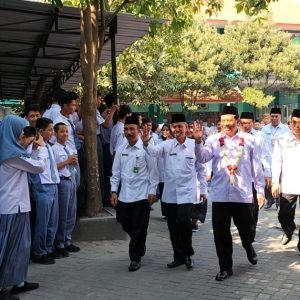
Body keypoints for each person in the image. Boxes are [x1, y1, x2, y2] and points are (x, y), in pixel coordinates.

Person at [195, 106, 265, 281]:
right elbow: (203, 158)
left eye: (229, 120)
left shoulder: (249, 140)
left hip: (243, 194)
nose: (226, 124)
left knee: (246, 229)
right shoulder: (212, 140)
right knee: (221, 233)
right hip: (220, 195)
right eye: (223, 121)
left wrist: (260, 190)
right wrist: (197, 142)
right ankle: (225, 267)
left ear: (237, 121)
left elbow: (257, 167)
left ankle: (248, 246)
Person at [142, 113, 203, 271]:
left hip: (187, 193)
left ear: (186, 127)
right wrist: (146, 141)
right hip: (170, 194)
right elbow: (154, 152)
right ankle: (178, 257)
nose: (177, 130)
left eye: (180, 126)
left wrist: (203, 189)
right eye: (174, 127)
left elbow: (201, 169)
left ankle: (188, 255)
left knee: (184, 225)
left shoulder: (193, 145)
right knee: (173, 228)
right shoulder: (167, 145)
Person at [0, 116, 46, 300]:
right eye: (23, 133)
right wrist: (41, 148)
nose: (24, 137)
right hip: (10, 207)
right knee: (6, 247)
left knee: (21, 247)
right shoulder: (10, 156)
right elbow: (38, 167)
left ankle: (18, 281)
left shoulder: (12, 151)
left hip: (18, 206)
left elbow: (27, 158)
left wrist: (32, 147)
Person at [110, 115, 158, 272]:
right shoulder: (121, 149)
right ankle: (139, 243)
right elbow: (115, 172)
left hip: (142, 195)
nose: (128, 132)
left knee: (139, 228)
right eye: (126, 129)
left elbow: (153, 171)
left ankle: (135, 258)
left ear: (138, 130)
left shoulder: (146, 148)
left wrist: (152, 191)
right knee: (124, 222)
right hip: (124, 194)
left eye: (131, 129)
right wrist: (113, 191)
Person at [30, 118, 60, 265]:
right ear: (41, 131)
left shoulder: (49, 146)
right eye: (50, 129)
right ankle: (39, 252)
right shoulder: (34, 147)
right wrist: (38, 145)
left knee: (52, 221)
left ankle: (48, 248)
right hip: (42, 186)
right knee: (43, 221)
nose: (52, 132)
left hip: (53, 185)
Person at [271, 109, 300, 250]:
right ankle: (288, 230)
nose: (297, 125)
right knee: (283, 214)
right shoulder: (282, 139)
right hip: (288, 183)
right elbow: (276, 161)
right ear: (290, 123)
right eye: (294, 122)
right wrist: (275, 181)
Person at [239, 112, 270, 238]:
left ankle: (251, 232)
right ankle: (244, 231)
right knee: (242, 209)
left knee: (253, 208)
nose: (245, 125)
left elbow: (265, 155)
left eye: (248, 123)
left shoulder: (259, 136)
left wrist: (268, 173)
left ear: (253, 123)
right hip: (240, 179)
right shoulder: (236, 137)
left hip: (254, 178)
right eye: (243, 123)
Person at [52, 123, 80, 256]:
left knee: (71, 213)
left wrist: (73, 162)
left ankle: (68, 240)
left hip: (71, 180)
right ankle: (59, 243)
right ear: (55, 133)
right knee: (62, 214)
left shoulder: (67, 148)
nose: (65, 134)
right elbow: (52, 168)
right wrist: (67, 162)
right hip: (62, 182)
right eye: (62, 132)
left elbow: (72, 165)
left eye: (67, 132)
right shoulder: (54, 149)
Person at [261, 107, 290, 209]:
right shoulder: (264, 129)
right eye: (272, 116)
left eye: (276, 116)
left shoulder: (286, 129)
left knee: (280, 181)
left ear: (280, 117)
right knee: (267, 182)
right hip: (267, 159)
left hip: (281, 159)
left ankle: (278, 200)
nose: (274, 118)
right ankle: (270, 199)